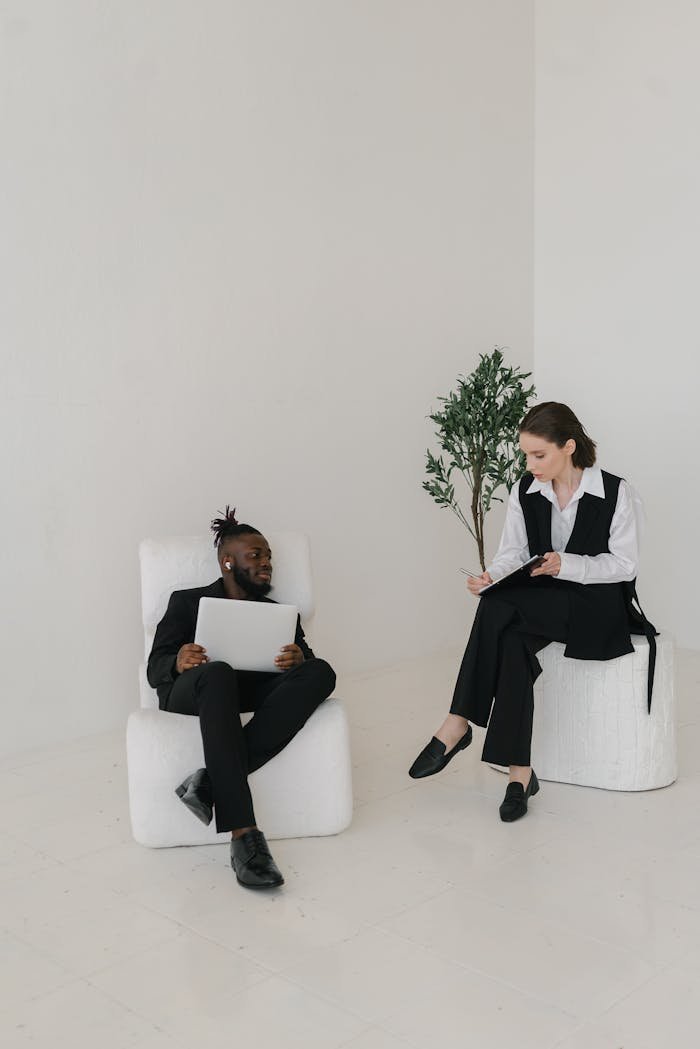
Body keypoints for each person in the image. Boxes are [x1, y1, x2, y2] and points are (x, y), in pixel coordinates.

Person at [408, 401, 656, 822]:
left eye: (539, 455)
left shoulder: (616, 492)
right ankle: (519, 775)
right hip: (543, 605)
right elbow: (514, 553)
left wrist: (568, 564)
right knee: (509, 637)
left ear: (569, 447)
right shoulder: (526, 490)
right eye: (525, 454)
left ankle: (457, 723)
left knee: (498, 610)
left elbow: (625, 565)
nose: (530, 463)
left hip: (597, 608)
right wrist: (492, 575)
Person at [147, 507, 336, 888]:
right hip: (195, 691)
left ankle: (209, 784)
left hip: (249, 691)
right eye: (256, 555)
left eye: (269, 556)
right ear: (228, 562)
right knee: (218, 672)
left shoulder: (281, 613)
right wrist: (178, 661)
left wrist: (301, 659)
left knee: (322, 671)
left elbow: (308, 668)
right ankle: (244, 837)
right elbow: (155, 669)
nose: (267, 563)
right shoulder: (186, 602)